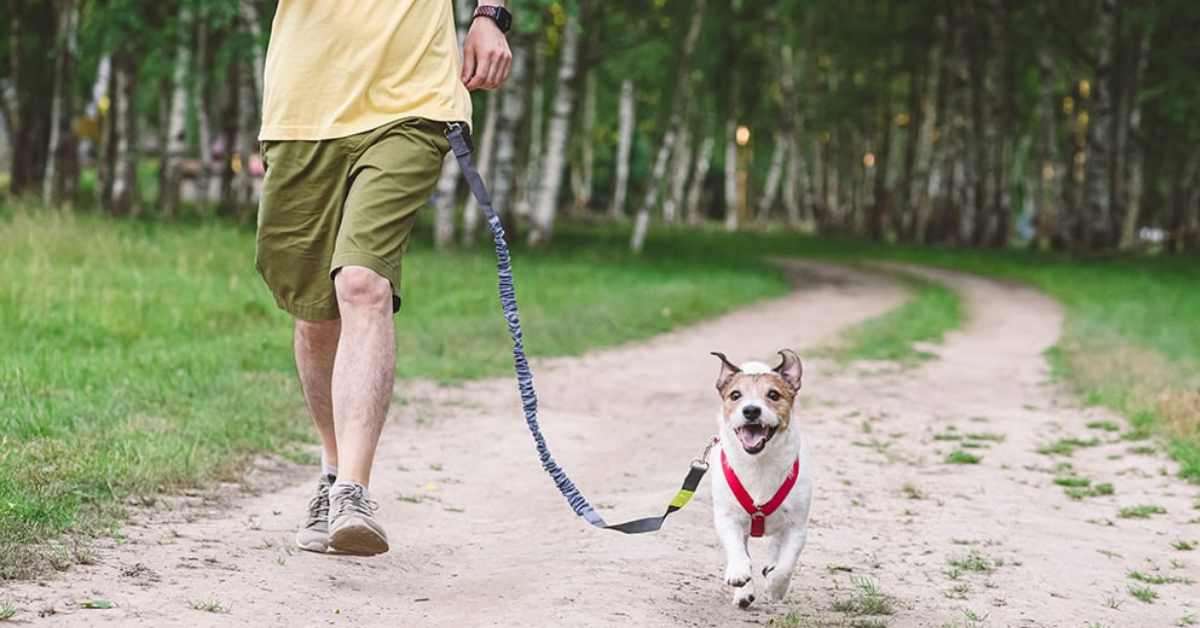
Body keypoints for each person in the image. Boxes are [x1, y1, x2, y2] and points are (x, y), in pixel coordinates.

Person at [254, 1, 513, 556]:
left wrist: (490, 13)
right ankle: (331, 471)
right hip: (303, 108)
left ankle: (354, 489)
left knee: (361, 282)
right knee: (317, 316)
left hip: (412, 103)